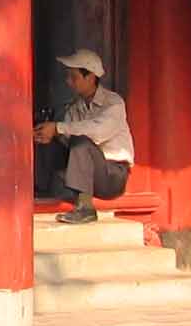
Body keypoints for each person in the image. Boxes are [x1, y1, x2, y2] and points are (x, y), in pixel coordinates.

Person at [32, 48, 134, 225]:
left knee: (81, 141)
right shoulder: (74, 108)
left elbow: (97, 132)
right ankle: (41, 189)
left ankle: (85, 208)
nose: (69, 82)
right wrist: (48, 134)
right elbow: (67, 138)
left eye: (74, 77)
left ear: (91, 77)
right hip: (87, 174)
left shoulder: (113, 103)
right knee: (59, 138)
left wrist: (59, 128)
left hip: (112, 175)